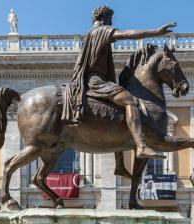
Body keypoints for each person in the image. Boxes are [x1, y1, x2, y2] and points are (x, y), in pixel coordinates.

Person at [61, 5, 176, 169]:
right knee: (131, 101)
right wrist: (156, 32)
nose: (111, 22)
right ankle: (142, 146)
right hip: (97, 82)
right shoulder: (100, 31)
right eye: (110, 19)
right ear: (104, 18)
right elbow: (127, 34)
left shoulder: (89, 35)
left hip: (92, 80)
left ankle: (120, 166)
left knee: (117, 114)